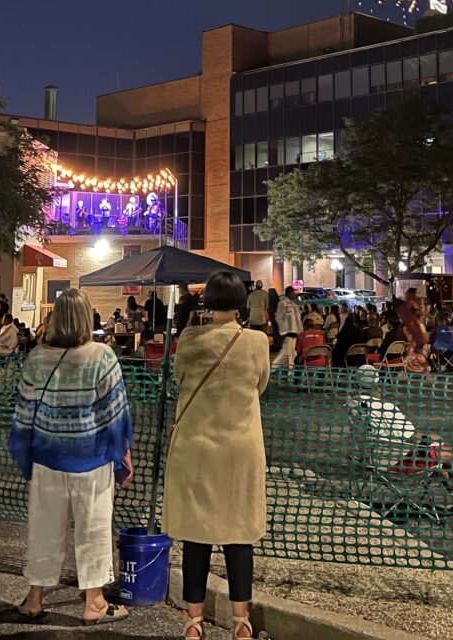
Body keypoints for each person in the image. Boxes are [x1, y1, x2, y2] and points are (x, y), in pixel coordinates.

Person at [8, 288, 134, 626]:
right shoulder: (102, 356)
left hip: (47, 457)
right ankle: (94, 602)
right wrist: (123, 453)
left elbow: (24, 412)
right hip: (91, 459)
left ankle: (34, 599)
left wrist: (25, 451)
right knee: (93, 528)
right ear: (86, 318)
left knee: (44, 529)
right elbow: (115, 413)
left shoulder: (37, 357)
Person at [163, 271, 270, 640]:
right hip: (241, 449)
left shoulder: (190, 339)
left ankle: (194, 622)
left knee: (197, 535)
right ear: (242, 301)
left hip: (197, 448)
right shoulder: (257, 341)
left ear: (206, 300)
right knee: (239, 535)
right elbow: (260, 384)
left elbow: (179, 379)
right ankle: (241, 622)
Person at [272, 286, 302, 370]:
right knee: (288, 353)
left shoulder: (294, 305)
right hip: (288, 333)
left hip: (295, 332)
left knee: (289, 353)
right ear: (289, 293)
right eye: (293, 292)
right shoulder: (283, 303)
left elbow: (298, 320)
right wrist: (283, 330)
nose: (294, 294)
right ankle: (276, 368)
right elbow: (278, 317)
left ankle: (275, 368)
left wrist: (300, 331)